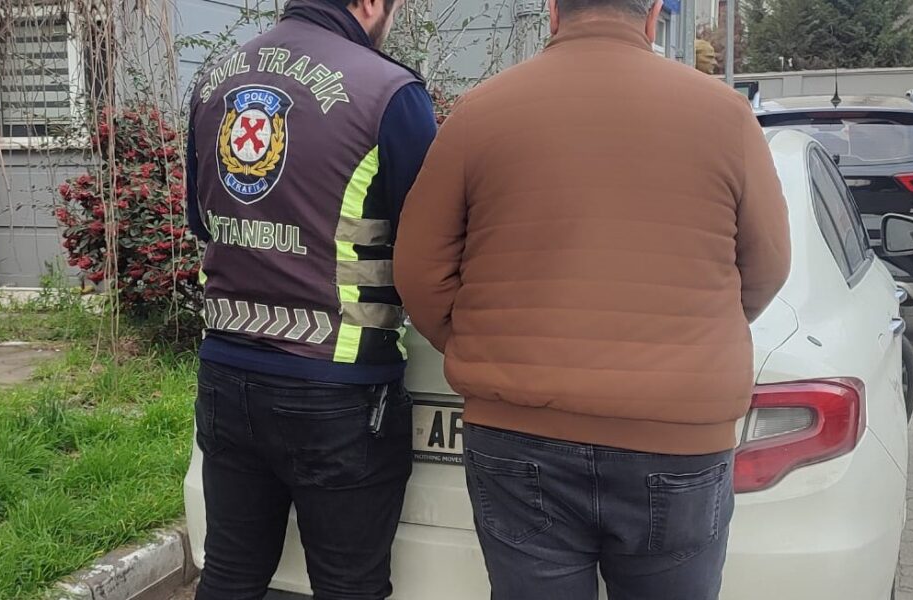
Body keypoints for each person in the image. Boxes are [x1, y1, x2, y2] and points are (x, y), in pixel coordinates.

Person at [393, 0, 791, 597]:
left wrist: (482, 343)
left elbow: (418, 270)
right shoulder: (726, 116)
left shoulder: (480, 112)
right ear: (653, 16)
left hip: (519, 431)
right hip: (677, 439)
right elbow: (767, 266)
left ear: (553, 12)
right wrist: (696, 335)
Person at [185, 0, 436, 597]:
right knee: (349, 584)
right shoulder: (389, 92)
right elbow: (432, 242)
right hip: (340, 387)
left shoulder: (214, 81)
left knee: (230, 574)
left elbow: (201, 220)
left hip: (226, 373)